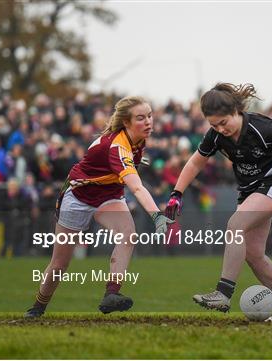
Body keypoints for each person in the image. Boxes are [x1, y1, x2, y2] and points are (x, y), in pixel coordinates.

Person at [165, 83, 272, 322]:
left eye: (223, 123)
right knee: (254, 255)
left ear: (237, 110)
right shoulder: (216, 135)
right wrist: (177, 193)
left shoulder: (263, 127)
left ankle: (223, 293)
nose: (219, 129)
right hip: (250, 190)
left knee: (235, 226)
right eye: (213, 125)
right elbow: (195, 162)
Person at [24, 96, 173, 318]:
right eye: (141, 118)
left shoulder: (137, 140)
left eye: (150, 116)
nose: (149, 122)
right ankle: (37, 308)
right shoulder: (118, 147)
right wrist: (157, 216)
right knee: (59, 264)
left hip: (108, 196)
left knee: (128, 235)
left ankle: (111, 294)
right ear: (126, 122)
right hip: (77, 197)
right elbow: (137, 188)